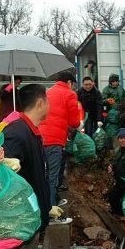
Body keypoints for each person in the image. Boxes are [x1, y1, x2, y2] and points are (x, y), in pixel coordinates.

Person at [0, 84, 53, 249]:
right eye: (48, 100)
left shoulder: (31, 131)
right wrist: (8, 163)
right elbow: (8, 169)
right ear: (40, 102)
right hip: (20, 224)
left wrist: (46, 206)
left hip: (31, 221)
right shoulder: (17, 132)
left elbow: (36, 177)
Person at [39, 71, 81, 209]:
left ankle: (47, 204)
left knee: (42, 174)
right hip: (55, 141)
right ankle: (50, 209)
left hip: (39, 139)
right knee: (52, 176)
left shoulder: (46, 92)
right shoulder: (70, 94)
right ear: (69, 82)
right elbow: (74, 122)